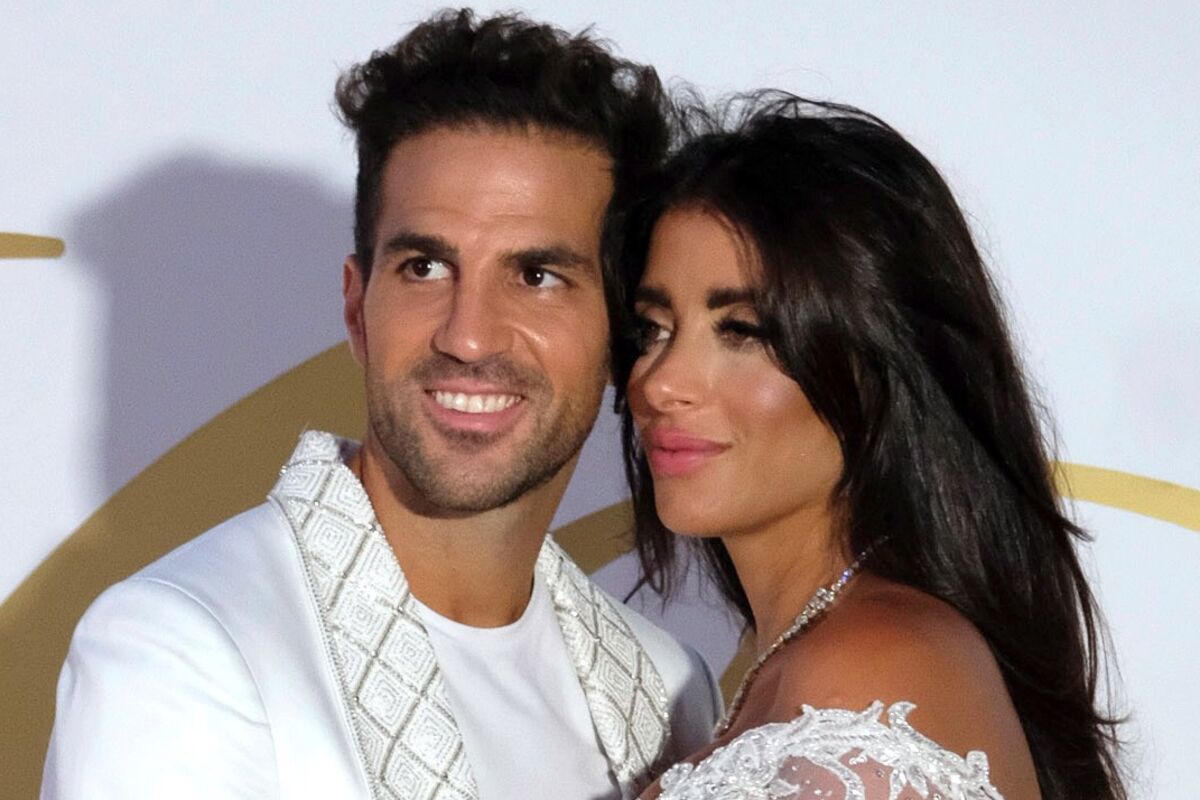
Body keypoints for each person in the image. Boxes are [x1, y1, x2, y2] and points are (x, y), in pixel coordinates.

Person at [41, 10, 721, 799]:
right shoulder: (181, 648)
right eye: (425, 268)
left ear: (622, 333)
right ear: (356, 308)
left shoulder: (667, 689)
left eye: (537, 276)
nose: (468, 336)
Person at [610, 93, 1126, 799]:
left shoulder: (869, 664)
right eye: (654, 329)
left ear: (877, 366)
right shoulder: (821, 660)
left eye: (743, 331)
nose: (660, 382)